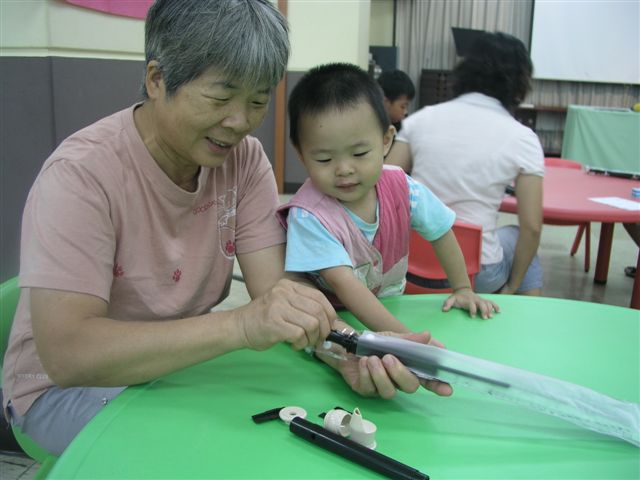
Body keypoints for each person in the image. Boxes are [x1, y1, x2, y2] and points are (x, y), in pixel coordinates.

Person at [2, 0, 451, 456]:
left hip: (174, 369)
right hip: (61, 392)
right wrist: (240, 325)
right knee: (205, 455)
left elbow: (277, 291)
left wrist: (349, 351)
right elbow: (68, 355)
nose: (240, 123)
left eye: (258, 100)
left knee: (284, 439)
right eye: (220, 98)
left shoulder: (244, 161)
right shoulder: (82, 175)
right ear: (157, 80)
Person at [278, 63, 499, 334]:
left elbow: (440, 231)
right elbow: (343, 283)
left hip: (390, 304)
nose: (344, 169)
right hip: (332, 322)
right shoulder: (309, 215)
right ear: (301, 154)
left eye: (359, 154)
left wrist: (462, 288)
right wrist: (404, 338)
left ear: (386, 141)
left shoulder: (403, 187)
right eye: (324, 158)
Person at [386, 32, 544, 296]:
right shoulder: (523, 138)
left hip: (411, 266)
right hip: (477, 273)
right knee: (520, 235)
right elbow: (533, 227)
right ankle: (516, 304)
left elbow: (385, 185)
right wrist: (512, 284)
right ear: (519, 82)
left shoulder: (421, 120)